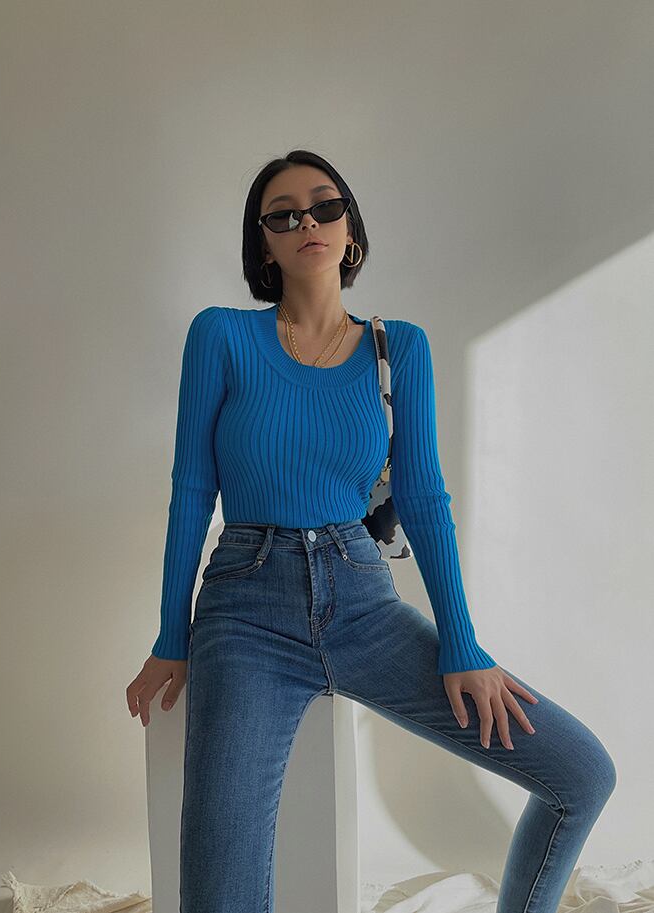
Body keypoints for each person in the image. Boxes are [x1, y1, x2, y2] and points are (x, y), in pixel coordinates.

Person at [126, 150, 616, 913]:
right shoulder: (220, 335)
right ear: (264, 243)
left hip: (362, 602)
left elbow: (422, 499)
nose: (307, 222)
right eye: (283, 213)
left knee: (580, 775)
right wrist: (171, 634)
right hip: (245, 612)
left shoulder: (399, 348)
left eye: (325, 205)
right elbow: (191, 492)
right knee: (217, 895)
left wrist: (461, 644)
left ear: (349, 228)